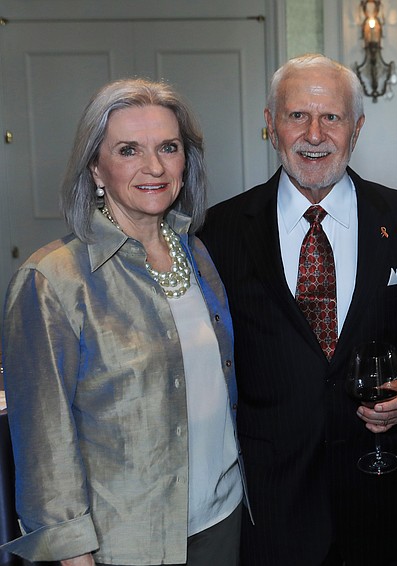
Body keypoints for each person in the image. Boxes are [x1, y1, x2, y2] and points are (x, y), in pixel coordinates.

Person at [198, 54, 397, 565]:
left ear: (356, 128)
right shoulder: (218, 233)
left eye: (331, 117)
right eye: (296, 116)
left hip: (386, 500)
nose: (314, 133)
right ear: (270, 126)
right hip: (271, 508)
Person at [0, 79, 246, 565]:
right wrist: (74, 556)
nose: (154, 167)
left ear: (185, 161)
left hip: (223, 520)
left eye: (168, 148)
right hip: (125, 541)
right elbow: (43, 445)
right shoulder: (52, 280)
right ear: (96, 167)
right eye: (128, 150)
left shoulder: (196, 253)